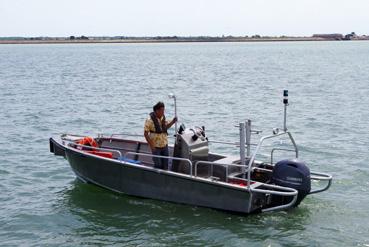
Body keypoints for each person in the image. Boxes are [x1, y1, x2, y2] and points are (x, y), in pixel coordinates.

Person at [144, 101, 177, 169]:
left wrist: (173, 122)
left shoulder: (162, 118)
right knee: (158, 164)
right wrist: (151, 146)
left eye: (164, 110)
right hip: (156, 147)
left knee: (165, 164)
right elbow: (146, 134)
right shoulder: (149, 120)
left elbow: (165, 127)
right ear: (157, 110)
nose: (163, 112)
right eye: (162, 110)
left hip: (164, 145)